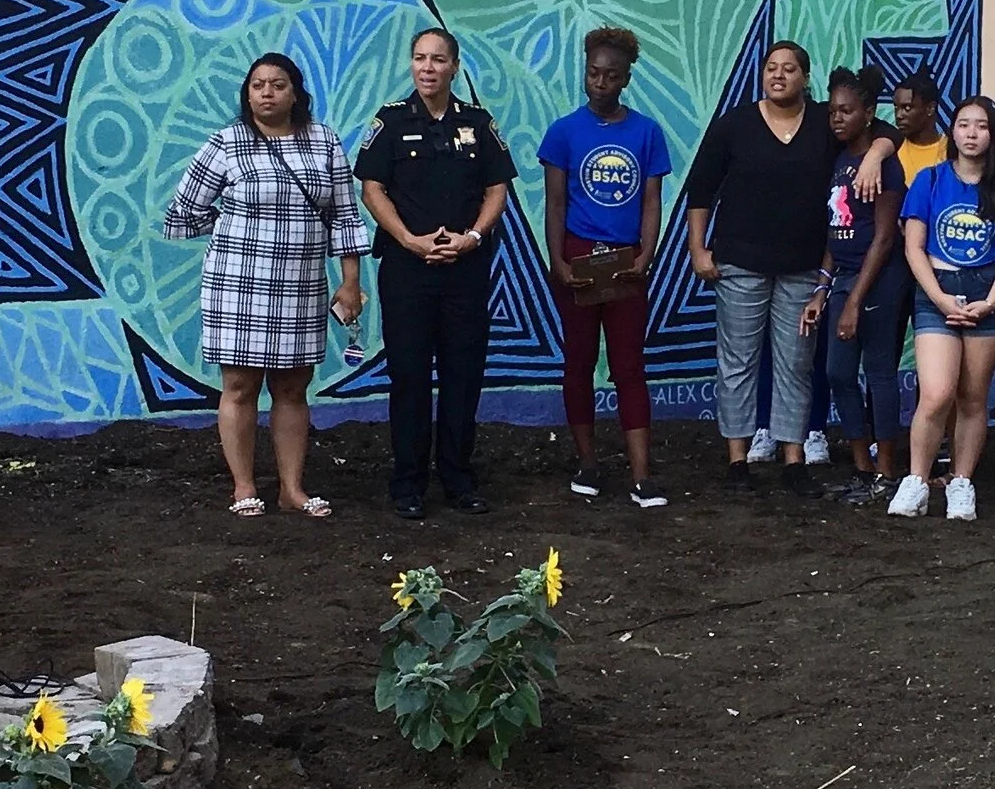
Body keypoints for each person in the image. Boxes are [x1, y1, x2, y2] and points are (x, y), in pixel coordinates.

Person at [163, 52, 368, 519]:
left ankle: (292, 489)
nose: (267, 93)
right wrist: (234, 226)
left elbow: (345, 216)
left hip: (300, 283)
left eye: (278, 84)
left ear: (295, 92)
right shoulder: (227, 143)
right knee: (239, 385)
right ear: (247, 93)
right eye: (258, 85)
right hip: (236, 283)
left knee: (293, 387)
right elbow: (183, 210)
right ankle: (243, 487)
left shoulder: (324, 143)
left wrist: (350, 282)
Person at [685, 41, 892, 492]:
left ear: (805, 77)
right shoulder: (734, 125)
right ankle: (737, 460)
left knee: (795, 362)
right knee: (738, 361)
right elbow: (700, 190)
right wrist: (698, 250)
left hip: (803, 267)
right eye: (771, 68)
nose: (779, 75)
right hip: (739, 262)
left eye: (790, 69)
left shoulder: (823, 121)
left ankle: (792, 458)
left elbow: (881, 129)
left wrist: (876, 155)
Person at [355, 27, 514, 520]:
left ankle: (459, 478)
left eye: (438, 60)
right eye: (420, 59)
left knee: (463, 376)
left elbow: (497, 191)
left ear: (454, 66)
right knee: (409, 376)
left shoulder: (479, 124)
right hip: (408, 269)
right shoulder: (390, 122)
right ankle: (408, 483)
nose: (428, 68)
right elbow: (373, 189)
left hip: (464, 269)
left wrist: (472, 237)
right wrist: (408, 238)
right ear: (411, 65)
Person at [539, 27, 670, 508]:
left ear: (626, 79)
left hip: (626, 261)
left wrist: (645, 256)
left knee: (629, 367)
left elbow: (652, 202)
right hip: (578, 256)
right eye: (593, 72)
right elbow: (555, 204)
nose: (599, 82)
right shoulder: (563, 132)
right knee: (578, 364)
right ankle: (588, 465)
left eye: (610, 75)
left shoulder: (646, 132)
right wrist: (557, 260)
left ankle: (641, 475)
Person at [888, 95, 995, 521]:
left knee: (973, 397)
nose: (971, 133)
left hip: (988, 293)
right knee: (935, 393)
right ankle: (915, 481)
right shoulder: (929, 181)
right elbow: (913, 247)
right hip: (938, 290)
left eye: (981, 126)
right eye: (964, 125)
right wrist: (939, 297)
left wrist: (989, 302)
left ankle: (961, 483)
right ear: (953, 131)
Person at [820, 67, 907, 501]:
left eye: (847, 111)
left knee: (878, 372)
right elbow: (837, 228)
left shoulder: (885, 164)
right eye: (833, 110)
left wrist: (855, 300)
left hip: (880, 279)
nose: (837, 118)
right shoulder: (839, 160)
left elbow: (886, 236)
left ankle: (885, 472)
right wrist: (824, 287)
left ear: (868, 114)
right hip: (844, 278)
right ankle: (861, 467)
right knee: (838, 371)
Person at [891, 69, 947, 184]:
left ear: (930, 108)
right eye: (896, 107)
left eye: (907, 108)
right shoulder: (892, 148)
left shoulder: (952, 150)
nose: (898, 115)